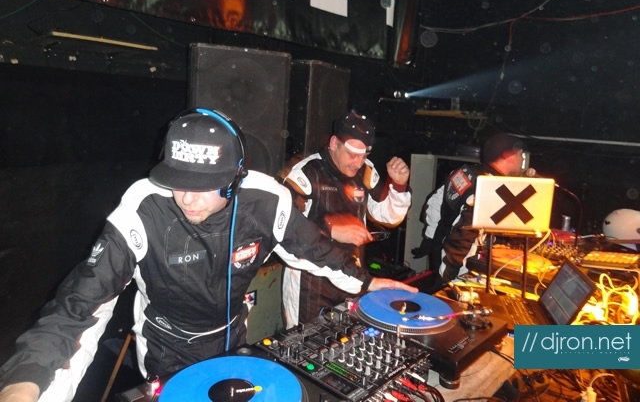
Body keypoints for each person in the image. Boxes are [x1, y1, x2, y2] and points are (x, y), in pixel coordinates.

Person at [0, 108, 417, 402]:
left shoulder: (265, 200)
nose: (187, 198)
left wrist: (366, 282)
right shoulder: (142, 208)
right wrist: (26, 382)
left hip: (232, 337)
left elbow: (313, 248)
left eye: (203, 187)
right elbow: (78, 306)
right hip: (167, 348)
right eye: (178, 181)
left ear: (236, 179)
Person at [281, 110, 411, 328]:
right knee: (306, 343)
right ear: (334, 143)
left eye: (364, 155)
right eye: (351, 154)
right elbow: (285, 230)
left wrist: (398, 185)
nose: (358, 163)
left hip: (352, 275)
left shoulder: (366, 171)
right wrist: (328, 228)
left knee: (346, 338)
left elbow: (388, 217)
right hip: (310, 282)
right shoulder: (305, 174)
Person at [412, 132, 527, 285]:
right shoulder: (488, 188)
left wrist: (432, 238)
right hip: (459, 267)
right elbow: (464, 235)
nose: (522, 160)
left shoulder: (466, 172)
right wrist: (449, 275)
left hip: (442, 249)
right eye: (520, 155)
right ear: (509, 157)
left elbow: (434, 202)